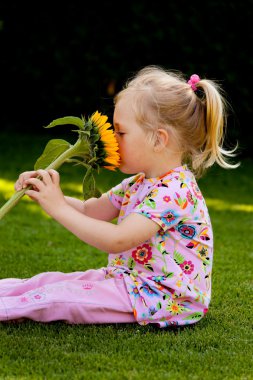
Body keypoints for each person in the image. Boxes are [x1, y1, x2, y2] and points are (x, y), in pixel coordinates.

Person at [0, 65, 238, 328]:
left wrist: (58, 208)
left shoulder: (174, 193)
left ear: (158, 140)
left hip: (160, 298)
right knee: (46, 282)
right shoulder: (140, 182)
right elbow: (91, 210)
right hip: (129, 283)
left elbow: (118, 240)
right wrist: (47, 194)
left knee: (58, 297)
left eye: (120, 132)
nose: (112, 140)